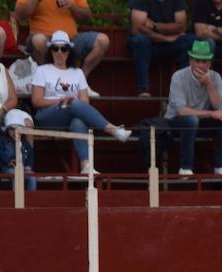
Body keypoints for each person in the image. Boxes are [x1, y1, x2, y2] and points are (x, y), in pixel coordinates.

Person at [31, 30, 132, 175]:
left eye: (63, 49)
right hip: (48, 116)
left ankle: (86, 165)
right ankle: (112, 129)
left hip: (70, 113)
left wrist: (69, 102)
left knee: (78, 121)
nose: (59, 52)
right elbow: (36, 101)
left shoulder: (77, 72)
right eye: (55, 48)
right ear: (51, 50)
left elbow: (85, 100)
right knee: (74, 103)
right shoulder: (42, 70)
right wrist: (60, 101)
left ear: (69, 51)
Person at [165, 39, 222, 176]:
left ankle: (221, 165)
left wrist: (209, 85)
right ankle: (185, 167)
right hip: (177, 122)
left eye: (204, 62)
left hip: (200, 122)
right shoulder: (178, 76)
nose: (201, 65)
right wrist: (210, 113)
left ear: (209, 63)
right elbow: (181, 111)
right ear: (191, 61)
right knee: (191, 120)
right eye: (197, 61)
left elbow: (221, 107)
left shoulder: (215, 77)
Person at [18, 0, 110, 77]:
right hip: (44, 36)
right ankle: (48, 80)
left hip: (70, 39)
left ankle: (80, 81)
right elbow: (20, 15)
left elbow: (87, 16)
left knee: (102, 40)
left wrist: (73, 6)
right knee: (39, 40)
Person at [127, 0, 196, 96]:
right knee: (141, 40)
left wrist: (155, 26)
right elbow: (137, 29)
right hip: (146, 46)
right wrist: (166, 38)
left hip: (169, 45)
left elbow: (181, 27)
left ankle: (182, 91)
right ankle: (144, 90)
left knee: (191, 40)